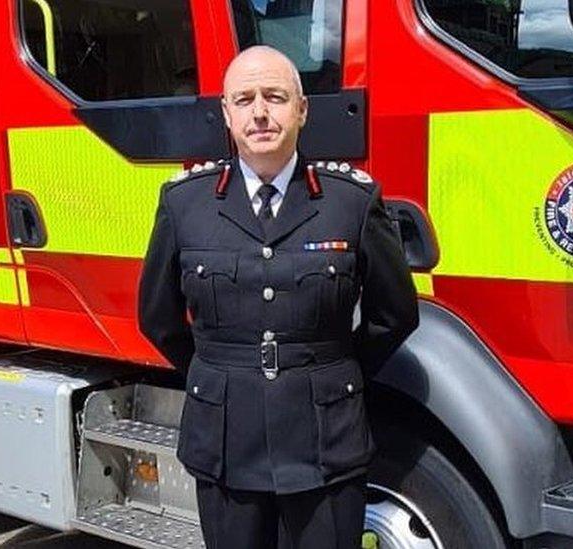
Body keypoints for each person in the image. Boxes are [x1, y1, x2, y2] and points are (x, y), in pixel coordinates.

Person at [137, 45, 419, 549]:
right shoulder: (184, 204)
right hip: (226, 440)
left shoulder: (352, 201)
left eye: (275, 96)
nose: (260, 112)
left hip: (324, 440)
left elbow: (394, 314)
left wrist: (330, 372)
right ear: (226, 113)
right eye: (244, 99)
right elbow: (158, 318)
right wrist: (220, 374)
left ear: (303, 110)